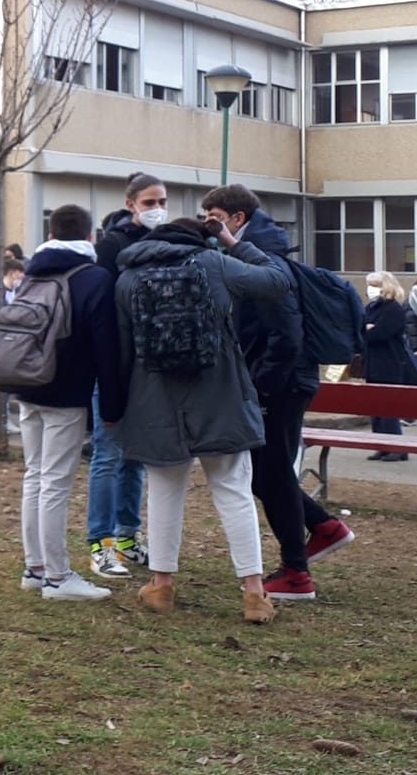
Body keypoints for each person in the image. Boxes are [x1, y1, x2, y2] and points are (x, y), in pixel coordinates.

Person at [107, 214, 286, 625]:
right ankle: (254, 593)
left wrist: (115, 411)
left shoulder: (127, 278)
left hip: (154, 399)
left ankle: (161, 584)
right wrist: (233, 241)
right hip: (219, 394)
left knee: (165, 490)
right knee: (233, 491)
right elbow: (278, 281)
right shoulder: (214, 264)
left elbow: (120, 352)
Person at [203, 184, 355, 602]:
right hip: (281, 380)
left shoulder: (265, 261)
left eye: (214, 217)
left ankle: (296, 573)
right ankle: (323, 528)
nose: (207, 226)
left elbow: (286, 333)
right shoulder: (255, 252)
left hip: (281, 384)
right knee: (267, 473)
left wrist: (264, 384)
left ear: (236, 219)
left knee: (270, 474)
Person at [12, 204, 119, 601]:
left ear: (52, 233)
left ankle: (34, 567)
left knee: (34, 477)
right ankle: (58, 577)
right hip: (67, 389)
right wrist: (111, 406)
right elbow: (106, 347)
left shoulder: (34, 270)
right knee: (55, 482)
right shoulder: (94, 278)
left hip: (27, 383)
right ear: (90, 237)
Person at [87, 172, 164, 577]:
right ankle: (100, 543)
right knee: (108, 453)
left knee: (135, 456)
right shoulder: (112, 246)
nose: (157, 210)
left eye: (161, 202)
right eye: (149, 203)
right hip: (115, 362)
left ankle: (128, 536)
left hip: (148, 365)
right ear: (131, 204)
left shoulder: (164, 242)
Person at [359, 271, 417, 458]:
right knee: (376, 409)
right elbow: (360, 331)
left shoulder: (393, 308)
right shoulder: (372, 307)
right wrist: (366, 329)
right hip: (372, 364)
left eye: (375, 285)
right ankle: (382, 445)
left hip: (390, 365)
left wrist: (368, 330)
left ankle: (396, 447)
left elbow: (378, 334)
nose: (370, 289)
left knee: (388, 409)